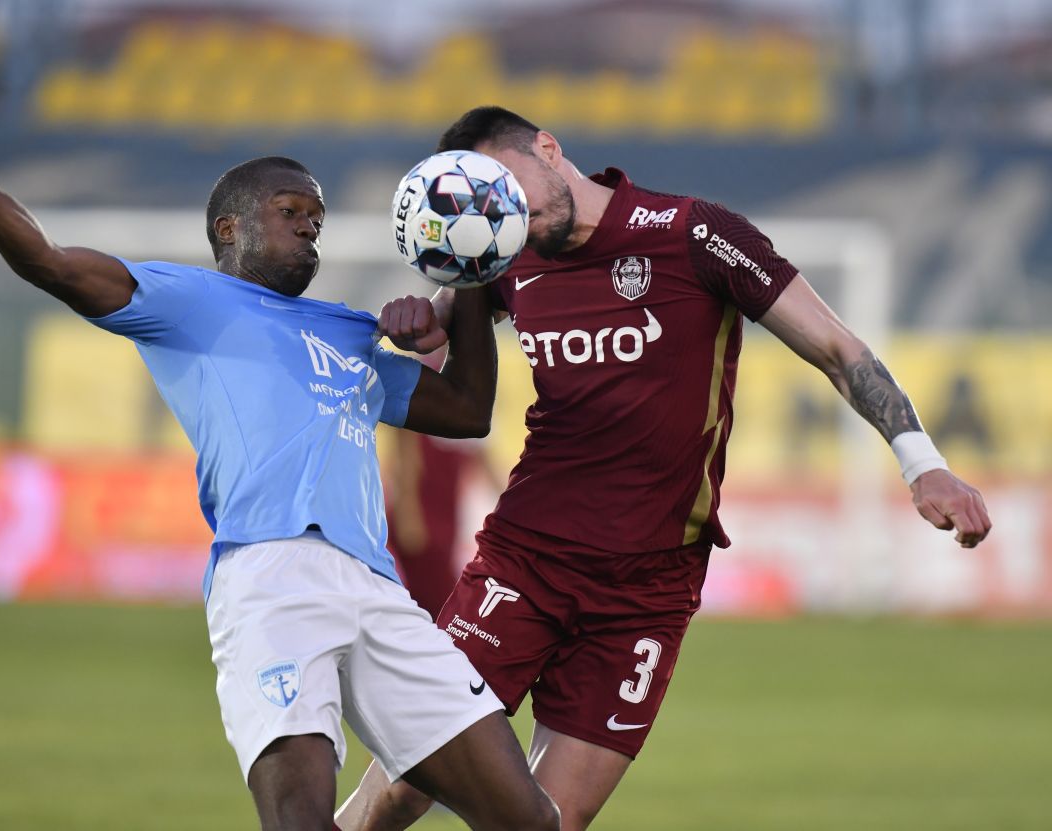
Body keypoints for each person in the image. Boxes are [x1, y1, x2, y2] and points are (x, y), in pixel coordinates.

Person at [337, 106, 993, 831]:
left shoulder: (694, 235)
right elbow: (438, 325)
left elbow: (838, 350)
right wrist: (419, 321)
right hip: (525, 562)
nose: (502, 212)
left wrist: (921, 463)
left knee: (546, 821)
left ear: (549, 149)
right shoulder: (500, 254)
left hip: (648, 591)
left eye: (507, 185)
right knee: (405, 781)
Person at [0, 147, 560, 831]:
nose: (311, 226)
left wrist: (467, 276)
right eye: (292, 211)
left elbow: (466, 409)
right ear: (230, 228)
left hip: (377, 587)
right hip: (271, 578)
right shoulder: (188, 301)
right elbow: (51, 262)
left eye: (318, 217)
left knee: (529, 819)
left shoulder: (347, 331)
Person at [383, 348, 504, 618]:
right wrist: (408, 511)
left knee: (436, 604)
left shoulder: (474, 393)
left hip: (445, 517)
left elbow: (485, 462)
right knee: (431, 606)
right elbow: (407, 456)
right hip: (420, 515)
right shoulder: (427, 379)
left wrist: (517, 508)